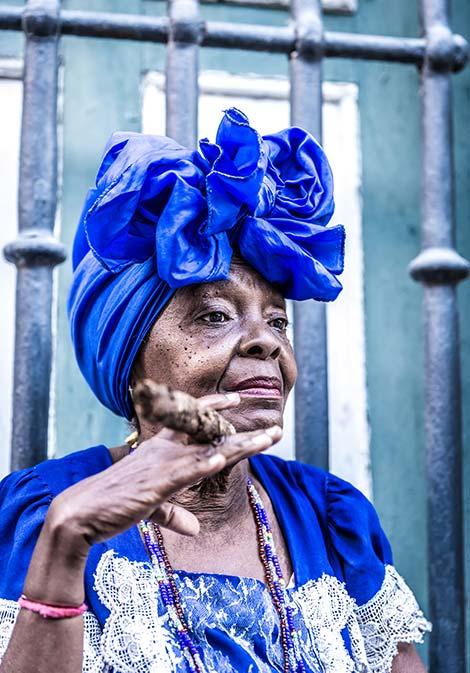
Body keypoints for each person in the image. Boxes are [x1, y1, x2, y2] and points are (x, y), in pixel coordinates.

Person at [0, 107, 430, 673]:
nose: (266, 343)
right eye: (214, 316)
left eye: (278, 323)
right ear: (131, 361)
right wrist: (65, 543)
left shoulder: (333, 519)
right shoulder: (44, 512)